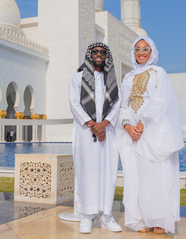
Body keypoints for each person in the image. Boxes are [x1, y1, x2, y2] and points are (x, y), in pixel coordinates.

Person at [118, 36, 184, 234]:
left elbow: (161, 101)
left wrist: (142, 124)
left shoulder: (158, 73)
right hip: (133, 134)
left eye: (145, 49)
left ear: (152, 52)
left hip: (154, 131)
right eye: (137, 49)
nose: (141, 53)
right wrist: (128, 126)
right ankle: (143, 220)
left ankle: (160, 220)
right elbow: (122, 104)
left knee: (157, 177)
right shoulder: (128, 77)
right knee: (138, 177)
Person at [69, 42, 122, 234]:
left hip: (107, 133)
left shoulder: (113, 80)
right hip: (86, 134)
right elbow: (74, 104)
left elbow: (117, 104)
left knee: (108, 172)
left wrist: (104, 125)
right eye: (95, 52)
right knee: (87, 171)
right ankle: (86, 215)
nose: (98, 55)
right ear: (89, 55)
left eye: (102, 52)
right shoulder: (78, 78)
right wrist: (93, 125)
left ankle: (106, 216)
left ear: (106, 56)